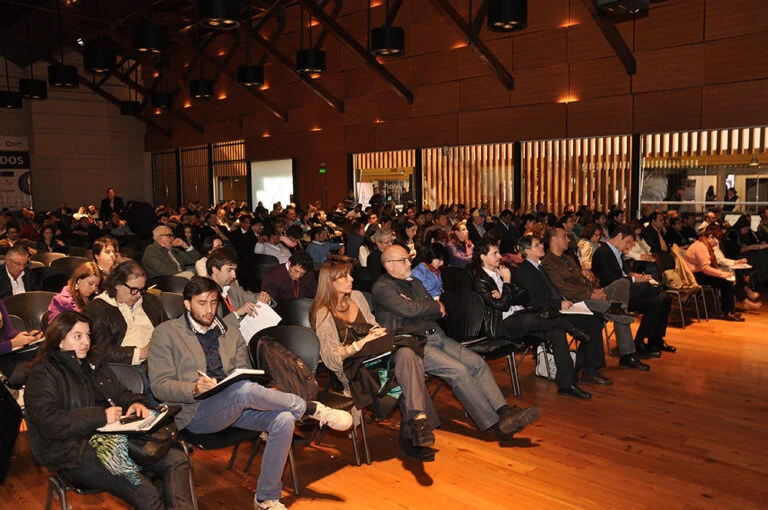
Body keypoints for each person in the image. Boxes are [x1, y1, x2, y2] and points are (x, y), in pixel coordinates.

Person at [148, 277, 352, 510]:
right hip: (195, 413)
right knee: (243, 391)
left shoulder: (231, 332)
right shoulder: (166, 334)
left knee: (283, 419)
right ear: (187, 304)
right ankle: (310, 408)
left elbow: (243, 373)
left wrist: (264, 395)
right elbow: (159, 386)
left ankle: (265, 498)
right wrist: (193, 388)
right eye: (201, 303)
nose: (209, 310)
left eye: (213, 303)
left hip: (236, 404)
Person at [25, 311, 195, 510]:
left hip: (115, 437)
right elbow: (50, 423)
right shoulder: (44, 373)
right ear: (60, 340)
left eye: (88, 335)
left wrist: (135, 403)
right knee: (147, 494)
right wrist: (100, 417)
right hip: (72, 450)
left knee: (177, 460)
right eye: (77, 336)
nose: (85, 342)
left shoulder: (92, 363)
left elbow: (122, 394)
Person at [372, 245, 540, 444]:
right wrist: (430, 306)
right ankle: (496, 424)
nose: (410, 263)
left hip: (437, 335)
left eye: (409, 259)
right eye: (404, 260)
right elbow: (412, 309)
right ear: (389, 265)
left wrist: (427, 307)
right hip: (414, 343)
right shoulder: (382, 287)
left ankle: (504, 412)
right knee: (458, 371)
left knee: (476, 362)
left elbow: (432, 309)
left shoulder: (414, 282)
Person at [310, 256, 439, 461]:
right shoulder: (323, 314)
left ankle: (419, 421)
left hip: (375, 356)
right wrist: (361, 343)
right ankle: (415, 430)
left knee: (406, 354)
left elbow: (372, 324)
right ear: (330, 282)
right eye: (344, 276)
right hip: (353, 369)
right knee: (407, 370)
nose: (351, 279)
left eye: (350, 274)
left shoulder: (358, 297)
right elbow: (331, 359)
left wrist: (378, 333)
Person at [472, 240, 596, 398]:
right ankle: (569, 326)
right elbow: (502, 307)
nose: (499, 256)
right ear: (483, 257)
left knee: (555, 331)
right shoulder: (481, 280)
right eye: (494, 253)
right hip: (502, 326)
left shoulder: (502, 271)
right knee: (528, 320)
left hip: (521, 317)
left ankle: (567, 384)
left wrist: (505, 294)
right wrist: (508, 283)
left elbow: (524, 296)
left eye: (498, 252)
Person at [541, 229, 649, 370]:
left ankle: (617, 310)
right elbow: (563, 288)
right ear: (554, 239)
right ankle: (627, 352)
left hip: (588, 294)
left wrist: (594, 291)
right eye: (564, 237)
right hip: (574, 301)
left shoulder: (568, 258)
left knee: (623, 283)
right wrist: (590, 294)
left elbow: (583, 279)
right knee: (619, 310)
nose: (568, 240)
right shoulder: (548, 263)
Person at [512, 235, 611, 385]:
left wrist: (563, 302)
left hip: (558, 306)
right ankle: (588, 370)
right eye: (537, 245)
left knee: (597, 317)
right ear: (526, 251)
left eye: (540, 243)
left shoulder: (538, 267)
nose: (541, 246)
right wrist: (559, 304)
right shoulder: (523, 270)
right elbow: (531, 301)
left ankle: (582, 365)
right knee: (592, 321)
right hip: (546, 313)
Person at [591, 225, 674, 357]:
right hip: (614, 295)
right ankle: (641, 341)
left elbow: (625, 273)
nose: (628, 246)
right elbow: (611, 282)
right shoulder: (603, 253)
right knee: (658, 298)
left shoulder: (616, 252)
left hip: (626, 290)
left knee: (665, 298)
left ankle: (654, 339)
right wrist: (635, 280)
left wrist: (635, 276)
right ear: (619, 237)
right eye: (627, 242)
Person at [85, 261, 166, 366]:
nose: (138, 295)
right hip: (125, 368)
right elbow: (98, 352)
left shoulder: (151, 301)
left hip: (159, 361)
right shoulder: (98, 308)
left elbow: (168, 331)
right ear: (117, 285)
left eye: (141, 290)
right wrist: (141, 353)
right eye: (134, 289)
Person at [685, 225, 756, 319]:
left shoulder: (704, 244)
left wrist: (723, 274)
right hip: (694, 276)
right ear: (710, 237)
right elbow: (705, 268)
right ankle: (728, 312)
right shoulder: (700, 247)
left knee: (727, 280)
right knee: (726, 281)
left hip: (699, 273)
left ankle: (729, 311)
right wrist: (723, 274)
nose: (718, 242)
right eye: (717, 239)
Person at [206, 248, 271, 318]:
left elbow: (248, 297)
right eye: (229, 270)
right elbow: (214, 326)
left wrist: (262, 298)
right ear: (215, 269)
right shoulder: (205, 294)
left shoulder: (232, 287)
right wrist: (237, 313)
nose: (234, 275)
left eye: (234, 270)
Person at [0, 299, 43, 383]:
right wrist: (13, 343)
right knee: (39, 368)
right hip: (4, 363)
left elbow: (7, 332)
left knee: (44, 356)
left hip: (7, 355)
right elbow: (12, 342)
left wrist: (27, 337)